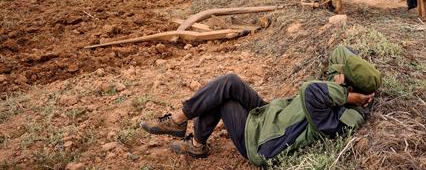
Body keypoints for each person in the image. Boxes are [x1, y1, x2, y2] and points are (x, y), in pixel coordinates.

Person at [139, 46, 381, 166]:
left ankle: (195, 143)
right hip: (269, 114)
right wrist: (359, 73)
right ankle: (180, 120)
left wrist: (349, 98)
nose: (336, 77)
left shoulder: (346, 116)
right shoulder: (339, 90)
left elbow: (309, 91)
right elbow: (341, 51)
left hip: (260, 141)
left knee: (223, 99)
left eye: (342, 80)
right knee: (230, 81)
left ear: (348, 91)